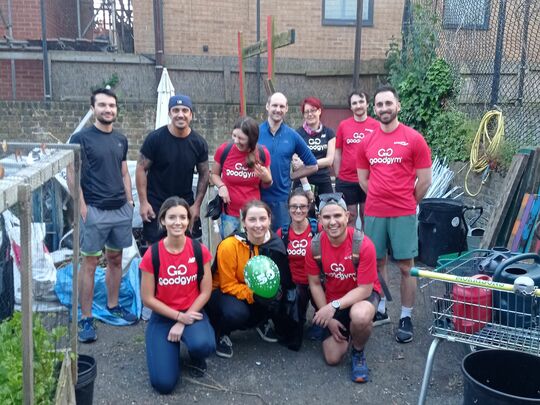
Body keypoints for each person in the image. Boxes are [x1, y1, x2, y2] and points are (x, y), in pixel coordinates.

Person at [356, 85, 432, 343]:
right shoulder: (367, 141)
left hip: (403, 212)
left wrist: (407, 201)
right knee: (376, 263)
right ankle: (380, 309)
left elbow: (424, 181)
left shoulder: (414, 139)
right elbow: (364, 180)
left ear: (398, 106)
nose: (384, 108)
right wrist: (379, 197)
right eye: (379, 104)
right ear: (374, 109)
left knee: (405, 267)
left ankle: (407, 316)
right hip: (375, 211)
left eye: (389, 103)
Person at [67, 88, 137, 343]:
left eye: (112, 106)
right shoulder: (81, 138)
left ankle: (113, 304)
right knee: (90, 264)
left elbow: (124, 171)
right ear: (93, 108)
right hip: (94, 210)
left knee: (116, 259)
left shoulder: (120, 139)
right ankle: (86, 318)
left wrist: (129, 200)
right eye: (103, 105)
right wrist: (82, 207)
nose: (108, 110)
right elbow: (72, 173)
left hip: (120, 210)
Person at [140, 197, 215, 394]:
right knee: (163, 384)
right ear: (163, 220)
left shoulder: (199, 250)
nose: (178, 222)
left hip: (192, 312)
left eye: (183, 217)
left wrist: (183, 320)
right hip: (163, 316)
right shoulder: (152, 254)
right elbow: (147, 298)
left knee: (204, 345)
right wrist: (177, 317)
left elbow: (206, 291)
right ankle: (168, 353)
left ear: (189, 220)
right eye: (172, 217)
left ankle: (195, 356)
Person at [306, 193, 381, 383]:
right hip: (334, 298)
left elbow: (365, 289)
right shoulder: (314, 247)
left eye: (337, 216)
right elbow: (314, 283)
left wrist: (333, 308)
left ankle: (358, 350)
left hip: (361, 296)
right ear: (319, 219)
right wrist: (328, 317)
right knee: (332, 358)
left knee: (360, 315)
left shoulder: (363, 245)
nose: (332, 222)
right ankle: (350, 328)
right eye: (327, 217)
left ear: (348, 216)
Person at [206, 200, 295, 358]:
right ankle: (220, 332)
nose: (258, 225)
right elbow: (227, 285)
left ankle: (258, 322)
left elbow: (282, 278)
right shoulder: (229, 245)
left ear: (269, 220)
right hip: (224, 292)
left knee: (276, 295)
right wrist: (254, 295)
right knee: (236, 313)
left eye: (262, 219)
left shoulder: (274, 243)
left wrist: (276, 293)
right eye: (252, 220)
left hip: (251, 288)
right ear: (244, 222)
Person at [136, 94, 209, 244]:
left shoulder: (199, 143)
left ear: (191, 115)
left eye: (184, 110)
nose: (180, 114)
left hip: (185, 205)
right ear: (169, 113)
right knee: (155, 251)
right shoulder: (155, 139)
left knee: (186, 250)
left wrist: (196, 205)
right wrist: (143, 202)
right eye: (175, 110)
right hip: (156, 204)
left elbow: (204, 173)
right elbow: (141, 168)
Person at [259, 92, 318, 231]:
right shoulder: (255, 132)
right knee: (257, 244)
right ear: (267, 106)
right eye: (274, 105)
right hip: (257, 197)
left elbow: (313, 165)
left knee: (281, 243)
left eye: (281, 106)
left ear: (286, 109)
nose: (278, 109)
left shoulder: (292, 136)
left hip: (281, 200)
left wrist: (290, 176)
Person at [211, 116, 272, 238]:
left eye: (241, 138)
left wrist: (266, 177)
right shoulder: (224, 150)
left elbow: (268, 183)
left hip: (253, 214)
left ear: (251, 139)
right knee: (229, 248)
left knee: (252, 249)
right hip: (229, 212)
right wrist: (221, 186)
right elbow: (214, 174)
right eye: (234, 136)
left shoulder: (262, 153)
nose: (236, 141)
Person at [276, 188, 321, 350]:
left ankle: (320, 317)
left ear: (308, 207)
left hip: (318, 281)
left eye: (302, 206)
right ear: (288, 208)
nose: (298, 210)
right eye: (294, 206)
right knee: (293, 328)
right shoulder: (283, 233)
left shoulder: (318, 230)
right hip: (295, 285)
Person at [334, 90, 379, 228]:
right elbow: (338, 152)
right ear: (351, 107)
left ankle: (368, 248)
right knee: (350, 216)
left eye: (361, 102)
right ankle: (351, 248)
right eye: (354, 103)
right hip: (347, 179)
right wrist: (338, 175)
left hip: (369, 179)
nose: (358, 105)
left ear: (367, 104)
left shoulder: (376, 126)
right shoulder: (343, 125)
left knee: (368, 216)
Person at [293, 97, 336, 208]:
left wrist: (309, 163)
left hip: (323, 180)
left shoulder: (329, 133)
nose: (310, 114)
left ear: (319, 111)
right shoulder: (297, 134)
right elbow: (297, 164)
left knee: (328, 211)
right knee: (304, 215)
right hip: (303, 181)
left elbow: (329, 160)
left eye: (313, 110)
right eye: (306, 112)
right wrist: (306, 187)